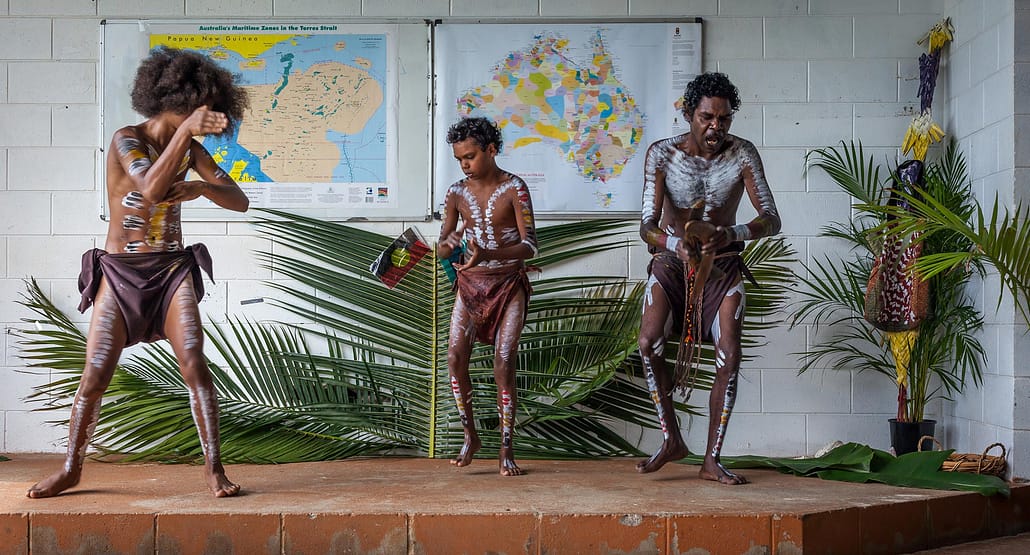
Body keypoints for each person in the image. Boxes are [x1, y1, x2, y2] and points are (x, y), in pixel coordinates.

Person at [27, 47, 250, 498]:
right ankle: (71, 468)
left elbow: (239, 201)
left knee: (193, 361)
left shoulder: (192, 151)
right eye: (202, 112)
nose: (209, 119)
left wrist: (204, 186)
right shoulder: (127, 138)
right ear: (186, 102)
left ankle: (213, 470)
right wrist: (186, 135)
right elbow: (149, 186)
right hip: (121, 272)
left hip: (171, 273)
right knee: (95, 373)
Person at [636, 72, 780, 485]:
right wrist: (672, 242)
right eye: (707, 117)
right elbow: (645, 224)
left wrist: (731, 234)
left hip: (724, 263)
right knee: (648, 342)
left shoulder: (743, 155)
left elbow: (772, 218)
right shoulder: (661, 155)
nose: (716, 127)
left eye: (724, 119)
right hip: (672, 262)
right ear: (687, 114)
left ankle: (712, 459)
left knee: (729, 355)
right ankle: (672, 440)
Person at [437, 117, 538, 477]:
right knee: (453, 358)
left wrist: (490, 256)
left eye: (471, 156)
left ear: (491, 150)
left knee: (503, 361)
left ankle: (506, 449)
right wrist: (447, 245)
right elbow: (443, 243)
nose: (464, 164)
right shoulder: (455, 193)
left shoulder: (515, 188)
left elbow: (530, 246)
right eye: (459, 158)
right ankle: (471, 437)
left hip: (508, 285)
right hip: (470, 285)